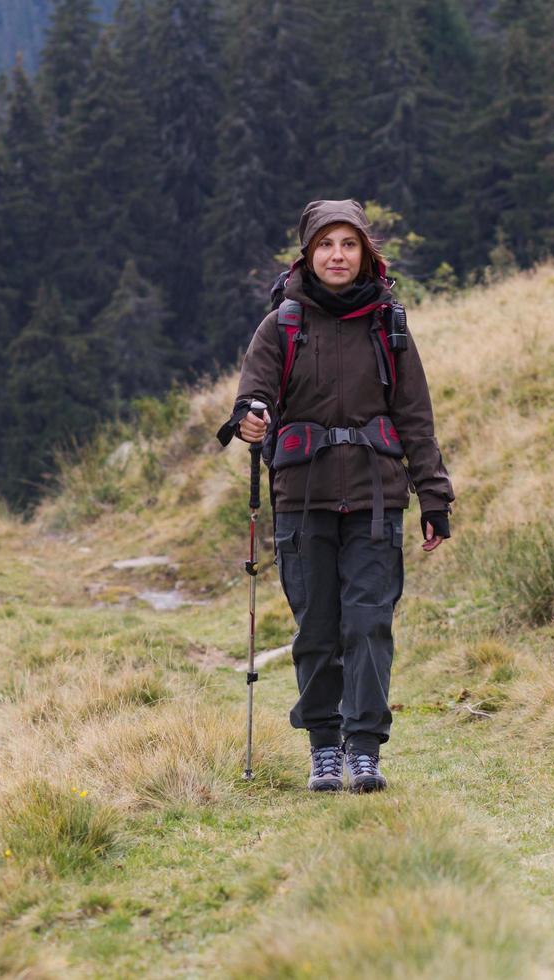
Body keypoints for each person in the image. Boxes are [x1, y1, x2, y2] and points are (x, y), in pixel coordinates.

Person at [229, 199, 454, 793]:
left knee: (369, 625)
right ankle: (323, 747)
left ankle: (364, 750)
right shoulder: (282, 325)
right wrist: (252, 418)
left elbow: (415, 419)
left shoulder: (389, 324)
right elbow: (254, 398)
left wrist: (434, 497)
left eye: (348, 244)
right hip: (302, 501)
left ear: (365, 254)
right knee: (318, 631)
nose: (337, 255)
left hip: (377, 500)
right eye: (326, 244)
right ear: (308, 253)